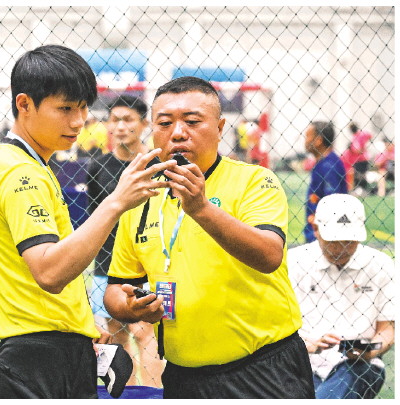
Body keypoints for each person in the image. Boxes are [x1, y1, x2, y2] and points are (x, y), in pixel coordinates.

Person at [0, 44, 175, 399]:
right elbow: (49, 272)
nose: (79, 121)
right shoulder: (21, 173)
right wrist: (117, 202)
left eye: (83, 108)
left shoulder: (27, 165)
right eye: (65, 108)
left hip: (52, 348)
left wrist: (79, 323)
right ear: (24, 104)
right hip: (39, 359)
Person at [103, 76, 314, 399]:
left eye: (192, 121)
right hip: (183, 374)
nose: (177, 132)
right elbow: (116, 288)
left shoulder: (254, 181)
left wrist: (200, 208)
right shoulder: (141, 197)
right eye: (165, 123)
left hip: (264, 368)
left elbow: (269, 255)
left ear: (219, 127)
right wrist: (133, 307)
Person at [86, 95, 164, 387]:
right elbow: (96, 217)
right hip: (108, 261)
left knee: (146, 332)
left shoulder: (158, 164)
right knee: (117, 333)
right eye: (115, 120)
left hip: (148, 261)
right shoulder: (98, 166)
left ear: (144, 124)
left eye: (128, 119)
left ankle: (154, 394)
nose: (120, 126)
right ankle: (127, 394)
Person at [288, 194, 395, 399]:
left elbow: (387, 330)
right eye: (333, 240)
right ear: (316, 229)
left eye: (349, 240)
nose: (341, 248)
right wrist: (306, 343)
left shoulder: (380, 264)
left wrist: (368, 350)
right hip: (303, 361)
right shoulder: (294, 262)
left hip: (360, 364)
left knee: (350, 376)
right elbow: (276, 326)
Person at [303, 121, 348, 243]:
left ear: (318, 140)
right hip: (319, 235)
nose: (305, 141)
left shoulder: (329, 166)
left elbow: (332, 203)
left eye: (308, 136)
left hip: (325, 238)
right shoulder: (322, 163)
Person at [346, 122, 372, 195]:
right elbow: (370, 135)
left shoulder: (356, 137)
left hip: (360, 159)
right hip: (363, 158)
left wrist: (362, 147)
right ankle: (361, 189)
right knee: (360, 174)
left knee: (360, 175)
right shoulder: (362, 134)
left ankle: (362, 189)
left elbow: (356, 149)